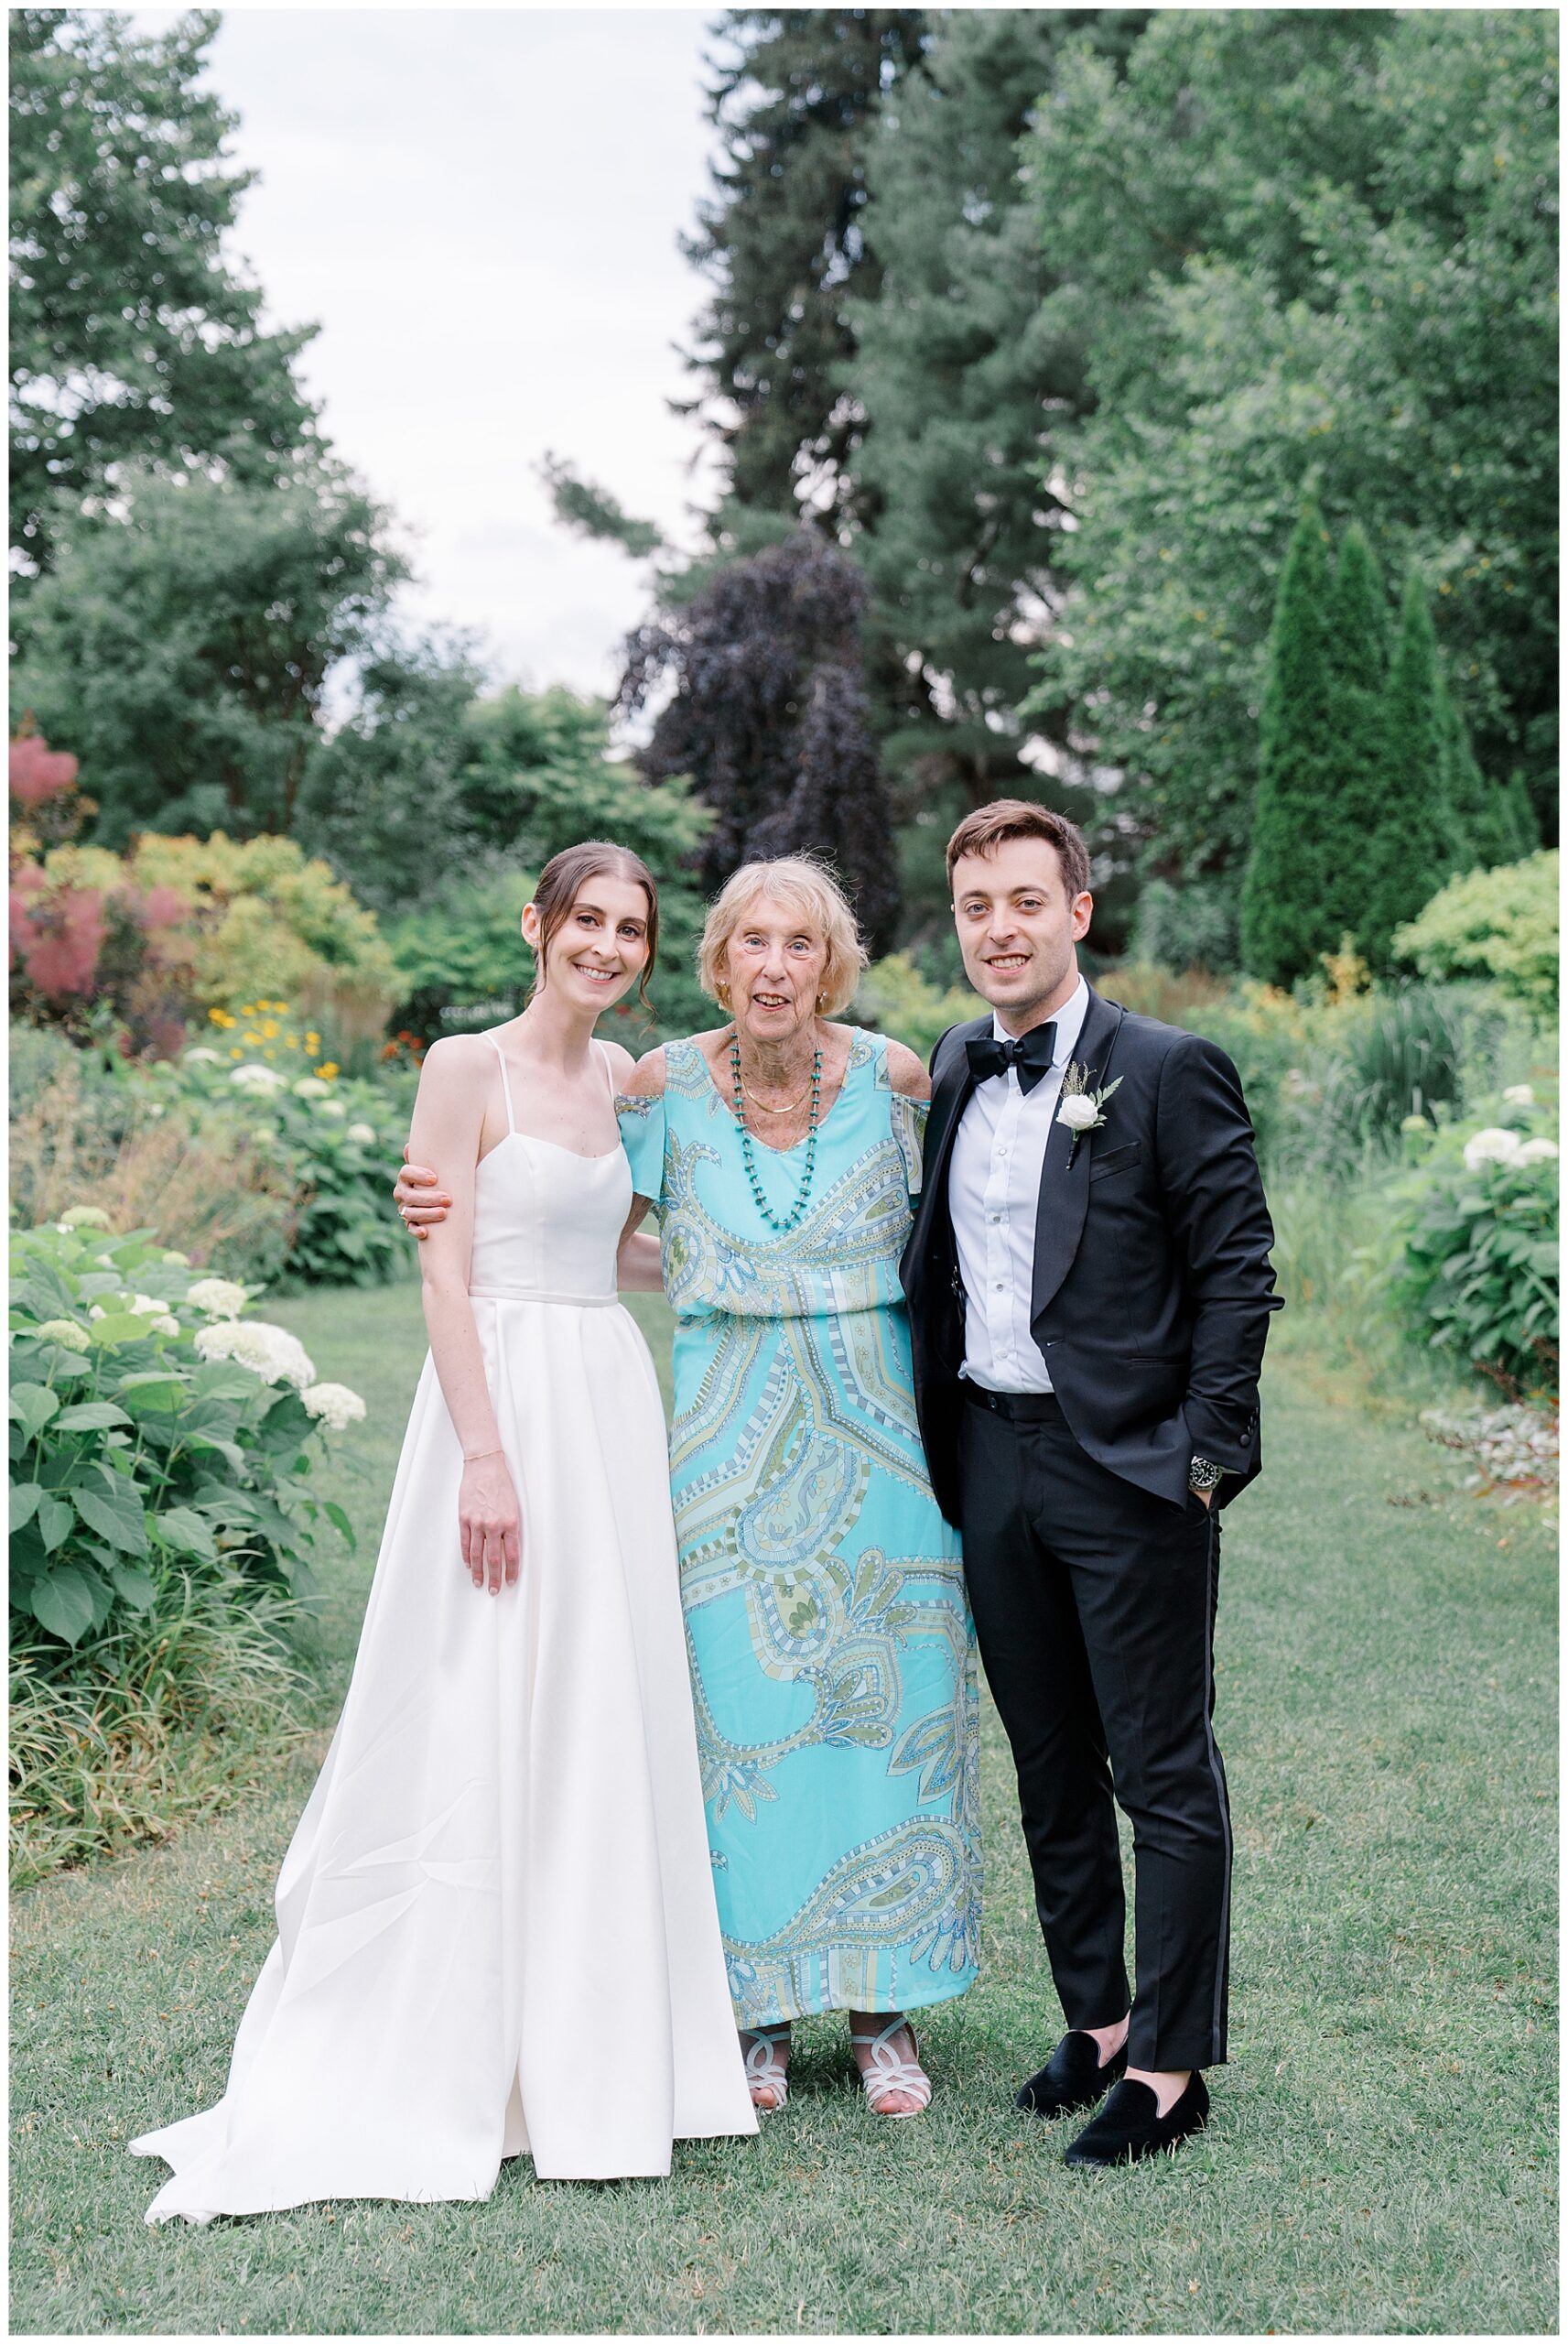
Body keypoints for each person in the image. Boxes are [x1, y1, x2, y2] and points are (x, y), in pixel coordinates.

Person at [133, 842, 756, 2220]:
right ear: (535, 926)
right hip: (498, 1407)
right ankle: (450, 2027)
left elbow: (628, 1254)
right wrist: (484, 1454)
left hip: (603, 1399)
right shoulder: (463, 1068)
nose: (604, 946)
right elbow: (443, 1263)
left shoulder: (628, 1083)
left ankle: (599, 2041)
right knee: (479, 1691)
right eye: (584, 920)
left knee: (601, 1703)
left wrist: (763, 1259)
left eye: (630, 930)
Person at [398, 857, 980, 2119]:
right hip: (723, 1440)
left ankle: (884, 2018)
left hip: (878, 1437)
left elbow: (974, 1222)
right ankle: (754, 2017)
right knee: (738, 1720)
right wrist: (444, 1201)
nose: (775, 968)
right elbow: (594, 1230)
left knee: (882, 1710)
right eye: (752, 943)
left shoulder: (898, 1081)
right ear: (716, 962)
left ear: (831, 965)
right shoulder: (654, 1086)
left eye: (801, 947)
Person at [900, 800, 1281, 2168]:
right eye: (973, 908)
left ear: (1076, 912)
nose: (997, 929)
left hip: (1129, 1468)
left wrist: (1204, 1455)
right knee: (1048, 1759)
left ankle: (1171, 2071)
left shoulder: (1168, 1068)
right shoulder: (951, 1063)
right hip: (989, 1454)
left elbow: (1238, 1268)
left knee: (1157, 1766)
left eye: (1021, 901)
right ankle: (1099, 2024)